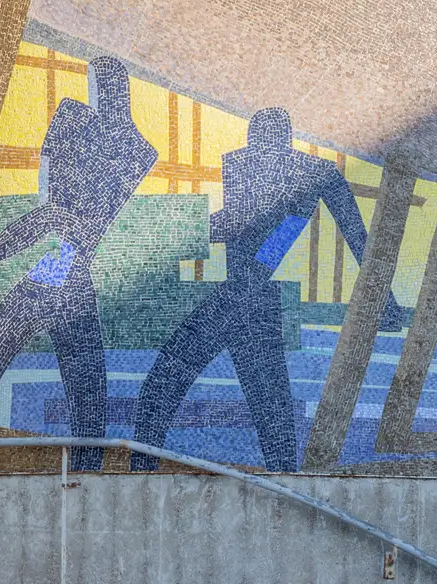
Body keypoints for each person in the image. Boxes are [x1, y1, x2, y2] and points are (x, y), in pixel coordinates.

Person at [0, 56, 156, 474]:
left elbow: (59, 216)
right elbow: (55, 213)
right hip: (59, 277)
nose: (97, 92)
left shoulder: (121, 146)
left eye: (99, 84)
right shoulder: (98, 134)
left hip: (61, 281)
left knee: (78, 394)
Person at [131, 107, 367, 473]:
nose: (256, 148)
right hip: (248, 296)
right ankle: (284, 479)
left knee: (168, 383)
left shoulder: (305, 171)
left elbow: (237, 222)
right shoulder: (310, 171)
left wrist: (173, 232)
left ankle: (139, 470)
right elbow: (359, 240)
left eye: (260, 141)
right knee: (268, 409)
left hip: (242, 297)